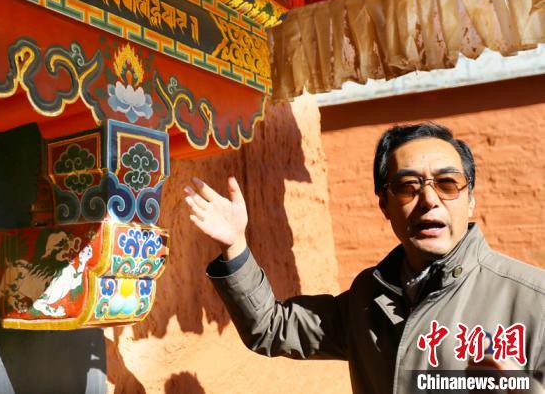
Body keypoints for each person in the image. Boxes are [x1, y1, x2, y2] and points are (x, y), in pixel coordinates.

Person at [184, 123, 545, 394]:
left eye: (448, 184)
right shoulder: (368, 299)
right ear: (384, 204)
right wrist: (235, 246)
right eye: (408, 187)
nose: (429, 200)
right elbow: (272, 328)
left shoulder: (534, 301)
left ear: (471, 199)